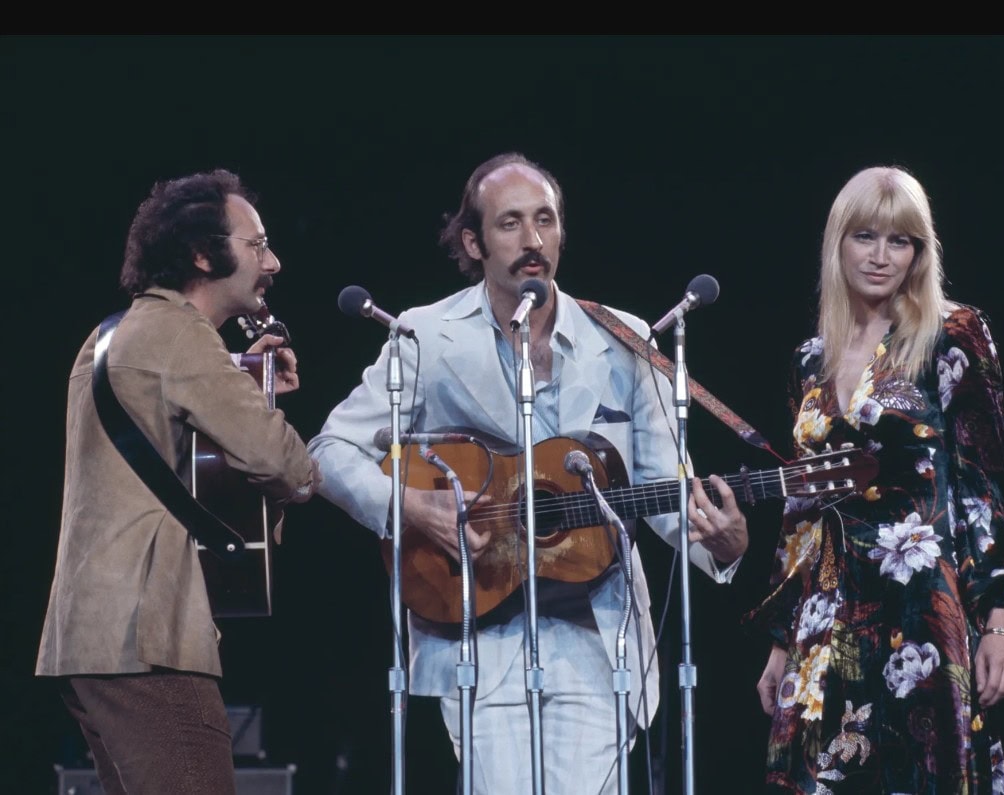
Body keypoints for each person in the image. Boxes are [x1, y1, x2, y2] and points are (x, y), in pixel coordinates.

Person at [308, 151, 749, 793]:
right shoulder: (424, 336)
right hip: (475, 625)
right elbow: (329, 449)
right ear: (473, 241)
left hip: (598, 632)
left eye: (545, 220)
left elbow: (662, 484)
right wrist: (409, 505)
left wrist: (722, 547)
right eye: (510, 223)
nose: (532, 240)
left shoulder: (623, 338)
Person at [745, 165, 1004, 793]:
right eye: (865, 237)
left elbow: (986, 487)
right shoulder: (811, 359)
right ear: (838, 243)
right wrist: (782, 642)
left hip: (921, 617)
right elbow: (800, 511)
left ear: (920, 251)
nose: (882, 256)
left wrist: (1001, 621)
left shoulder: (952, 337)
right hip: (823, 624)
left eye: (901, 240)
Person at [36, 169, 321, 795]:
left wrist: (247, 384)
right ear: (202, 253)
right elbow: (286, 466)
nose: (272, 260)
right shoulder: (182, 337)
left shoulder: (113, 333)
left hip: (89, 638)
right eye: (256, 245)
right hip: (148, 638)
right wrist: (267, 408)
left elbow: (190, 472)